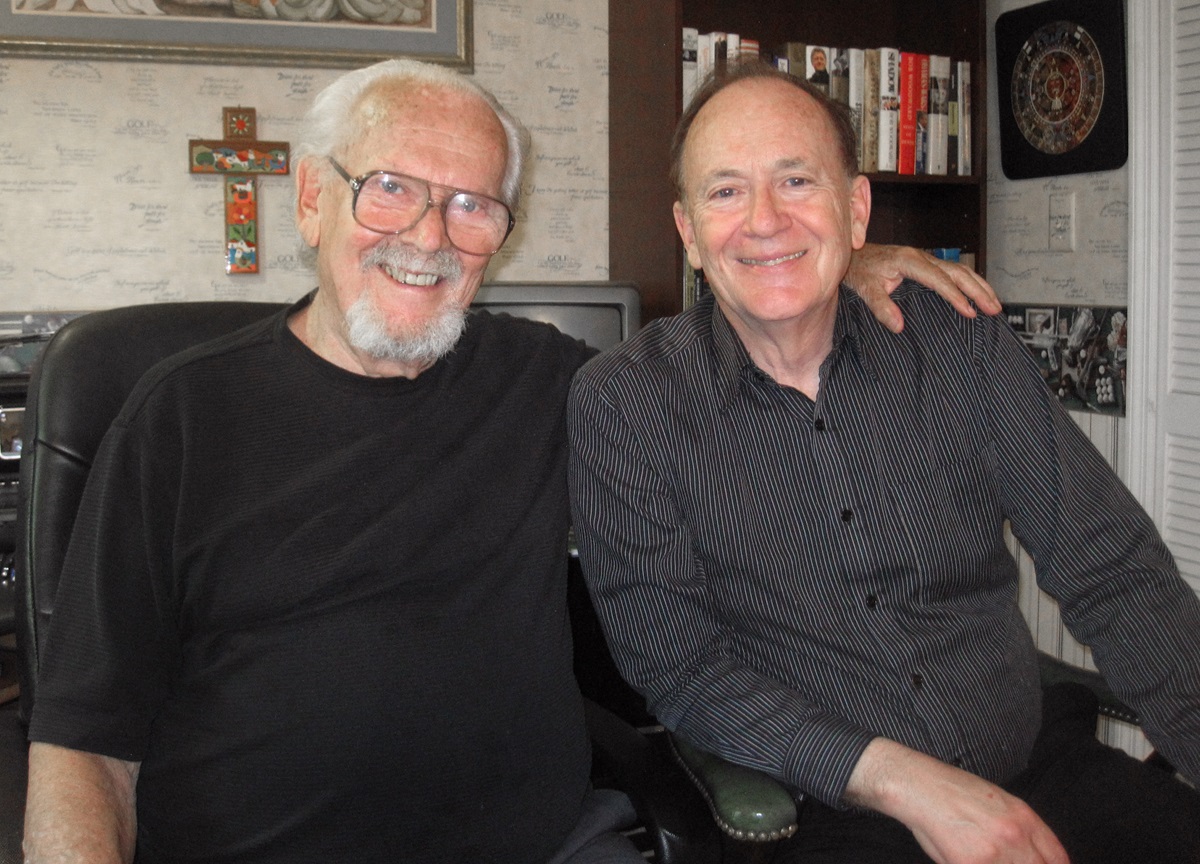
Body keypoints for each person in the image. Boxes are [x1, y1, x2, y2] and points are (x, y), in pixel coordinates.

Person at [22, 58, 1000, 864]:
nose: (429, 236)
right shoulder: (181, 416)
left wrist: (827, 266)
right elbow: (82, 746)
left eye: (472, 206)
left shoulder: (554, 384)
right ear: (314, 200)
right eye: (392, 188)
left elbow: (730, 373)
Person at [567, 61, 1200, 864]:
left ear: (856, 210)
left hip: (1039, 769)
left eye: (797, 180)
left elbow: (1111, 567)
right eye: (725, 191)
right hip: (827, 811)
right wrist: (915, 786)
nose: (765, 220)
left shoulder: (960, 342)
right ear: (689, 231)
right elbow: (682, 668)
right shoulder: (626, 404)